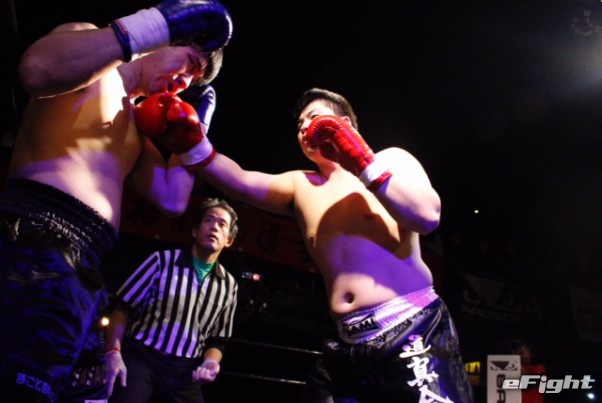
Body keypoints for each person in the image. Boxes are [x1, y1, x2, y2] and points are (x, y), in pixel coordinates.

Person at [176, 87, 474, 402]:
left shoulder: (392, 159)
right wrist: (194, 142)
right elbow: (240, 182)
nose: (305, 127)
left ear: (345, 123)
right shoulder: (301, 185)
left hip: (411, 326)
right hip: (346, 344)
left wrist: (363, 162)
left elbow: (427, 216)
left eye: (314, 117)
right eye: (300, 125)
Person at [0, 1, 232, 401]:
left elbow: (173, 199)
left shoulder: (136, 123)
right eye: (189, 61)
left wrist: (192, 139)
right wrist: (149, 26)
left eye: (194, 79)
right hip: (35, 240)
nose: (185, 80)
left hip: (87, 269)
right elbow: (36, 69)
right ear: (164, 34)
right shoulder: (87, 45)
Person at [105, 198, 239, 403]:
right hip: (144, 358)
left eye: (222, 224)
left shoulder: (229, 285)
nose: (214, 227)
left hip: (185, 371)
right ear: (195, 230)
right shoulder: (162, 261)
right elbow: (122, 307)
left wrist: (210, 363)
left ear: (229, 240)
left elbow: (218, 340)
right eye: (209, 220)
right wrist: (113, 352)